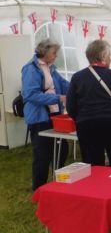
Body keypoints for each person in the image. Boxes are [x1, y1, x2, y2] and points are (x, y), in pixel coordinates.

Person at [66, 40, 111, 167]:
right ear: (102, 55)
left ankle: (97, 186)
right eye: (109, 55)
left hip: (87, 125)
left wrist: (81, 119)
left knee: (93, 165)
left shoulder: (77, 77)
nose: (110, 58)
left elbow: (71, 106)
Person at [22, 39, 69, 191]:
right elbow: (30, 95)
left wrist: (80, 85)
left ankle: (57, 184)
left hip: (55, 115)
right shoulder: (31, 68)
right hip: (39, 118)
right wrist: (57, 98)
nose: (56, 56)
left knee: (61, 150)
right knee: (42, 155)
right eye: (54, 53)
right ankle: (39, 189)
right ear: (45, 51)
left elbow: (64, 84)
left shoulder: (51, 68)